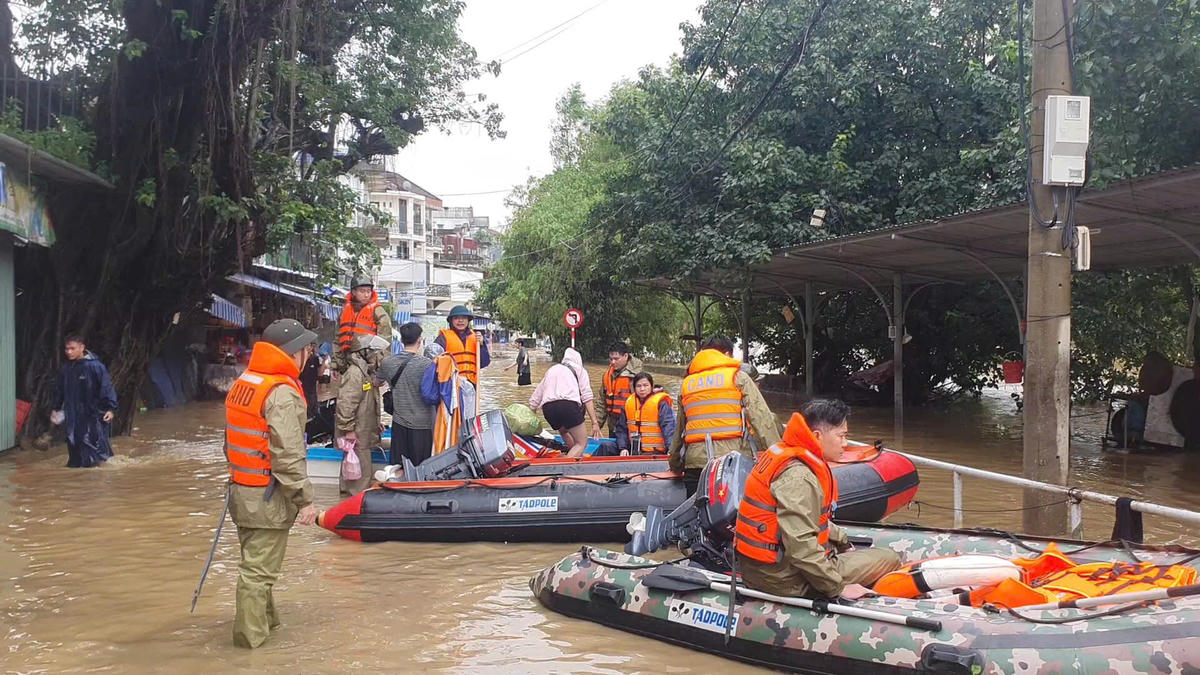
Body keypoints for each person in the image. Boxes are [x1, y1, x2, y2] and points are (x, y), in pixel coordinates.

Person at [735, 399, 902, 600]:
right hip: (785, 579)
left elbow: (811, 520)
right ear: (817, 436)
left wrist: (843, 541)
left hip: (765, 571)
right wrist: (838, 587)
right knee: (889, 558)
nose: (845, 443)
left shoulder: (785, 455)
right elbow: (800, 546)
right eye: (841, 436)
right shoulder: (800, 477)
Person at [223, 318, 319, 649]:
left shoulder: (245, 382)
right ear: (293, 353)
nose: (309, 355)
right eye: (306, 349)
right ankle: (249, 646)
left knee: (255, 567)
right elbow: (288, 454)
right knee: (257, 574)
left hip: (241, 492)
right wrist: (304, 500)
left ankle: (268, 627)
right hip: (266, 497)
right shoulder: (281, 392)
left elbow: (230, 444)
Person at [669, 334, 781, 495]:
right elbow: (762, 420)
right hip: (732, 463)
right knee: (737, 517)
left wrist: (675, 463)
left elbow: (679, 430)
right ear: (727, 354)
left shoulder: (687, 384)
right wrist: (779, 460)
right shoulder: (738, 377)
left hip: (695, 465)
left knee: (696, 515)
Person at [52, 335, 118, 468]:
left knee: (93, 449)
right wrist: (56, 408)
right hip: (73, 416)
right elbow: (60, 390)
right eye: (67, 349)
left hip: (93, 415)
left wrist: (110, 409)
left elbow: (106, 388)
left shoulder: (95, 367)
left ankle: (96, 480)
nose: (69, 352)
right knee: (74, 449)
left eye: (72, 348)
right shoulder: (66, 369)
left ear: (82, 348)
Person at [376, 322, 435, 466]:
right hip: (423, 424)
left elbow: (376, 383)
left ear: (401, 340)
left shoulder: (387, 362)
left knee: (398, 467)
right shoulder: (428, 364)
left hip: (399, 422)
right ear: (420, 340)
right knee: (422, 468)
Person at [335, 332, 385, 495]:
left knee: (353, 465)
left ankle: (346, 495)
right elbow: (346, 404)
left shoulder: (366, 373)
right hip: (356, 431)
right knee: (360, 470)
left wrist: (377, 423)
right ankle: (357, 501)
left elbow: (368, 402)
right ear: (363, 353)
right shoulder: (355, 373)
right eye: (374, 352)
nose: (376, 356)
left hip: (362, 427)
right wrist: (348, 429)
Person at [528, 347, 599, 458]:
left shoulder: (552, 369)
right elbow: (587, 397)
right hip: (567, 406)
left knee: (564, 431)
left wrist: (529, 423)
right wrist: (594, 422)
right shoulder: (580, 370)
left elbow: (535, 399)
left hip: (548, 409)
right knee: (582, 443)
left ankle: (575, 455)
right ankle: (564, 466)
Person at [333, 277, 391, 373]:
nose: (366, 295)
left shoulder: (377, 311)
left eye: (369, 291)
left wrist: (381, 368)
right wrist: (335, 365)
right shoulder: (345, 311)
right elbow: (337, 340)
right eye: (362, 291)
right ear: (354, 292)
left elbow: (385, 341)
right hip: (347, 364)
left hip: (368, 364)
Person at [597, 342, 643, 449]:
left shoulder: (636, 376)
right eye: (611, 359)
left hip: (630, 426)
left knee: (628, 451)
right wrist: (596, 425)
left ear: (626, 356)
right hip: (613, 424)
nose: (613, 362)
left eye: (616, 359)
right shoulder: (607, 375)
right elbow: (601, 404)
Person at [435, 305, 491, 390]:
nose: (460, 321)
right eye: (456, 318)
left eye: (464, 318)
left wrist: (481, 345)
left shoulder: (476, 338)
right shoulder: (443, 338)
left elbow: (484, 363)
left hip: (471, 384)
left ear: (468, 320)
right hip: (450, 384)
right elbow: (434, 363)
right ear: (451, 321)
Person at [622, 372, 675, 455]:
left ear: (651, 387)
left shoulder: (661, 404)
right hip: (632, 449)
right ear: (634, 388)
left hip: (655, 452)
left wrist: (671, 450)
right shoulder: (629, 403)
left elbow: (669, 428)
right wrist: (623, 448)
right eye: (638, 386)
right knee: (606, 446)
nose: (642, 389)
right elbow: (622, 429)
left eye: (645, 385)